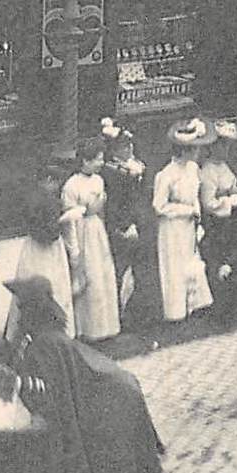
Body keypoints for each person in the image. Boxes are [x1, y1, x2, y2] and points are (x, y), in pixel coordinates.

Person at [0, 276, 166, 473]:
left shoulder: (45, 344)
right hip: (93, 393)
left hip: (102, 398)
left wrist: (17, 383)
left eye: (22, 307)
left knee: (74, 453)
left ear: (31, 310)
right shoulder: (41, 337)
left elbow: (49, 392)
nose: (18, 313)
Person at [152, 119, 216, 324]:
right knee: (174, 269)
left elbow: (195, 195)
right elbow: (158, 206)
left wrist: (196, 213)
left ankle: (193, 308)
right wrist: (185, 210)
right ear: (183, 150)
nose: (197, 152)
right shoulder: (166, 174)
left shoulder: (192, 169)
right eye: (193, 149)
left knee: (192, 265)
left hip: (189, 226)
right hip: (172, 228)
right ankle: (175, 314)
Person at [63, 137, 122, 342]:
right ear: (85, 161)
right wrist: (74, 249)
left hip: (96, 229)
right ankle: (88, 329)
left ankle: (106, 327)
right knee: (89, 277)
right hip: (82, 230)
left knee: (102, 275)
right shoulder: (72, 185)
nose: (101, 163)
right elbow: (69, 219)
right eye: (97, 159)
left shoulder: (99, 180)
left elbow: (102, 211)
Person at [196, 121, 237, 323]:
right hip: (216, 224)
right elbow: (208, 203)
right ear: (213, 147)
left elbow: (231, 184)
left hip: (230, 222)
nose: (226, 150)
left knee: (234, 257)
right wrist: (231, 200)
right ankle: (219, 309)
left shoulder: (224, 167)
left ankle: (233, 304)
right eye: (222, 145)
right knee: (218, 260)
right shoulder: (208, 171)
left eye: (227, 146)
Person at [14, 165, 79, 339]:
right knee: (52, 282)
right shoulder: (45, 200)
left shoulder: (32, 196)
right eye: (56, 183)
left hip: (32, 247)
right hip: (46, 248)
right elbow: (44, 229)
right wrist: (60, 222)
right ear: (48, 180)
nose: (57, 188)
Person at [102, 123, 155, 333]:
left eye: (130, 145)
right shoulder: (112, 172)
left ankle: (139, 313)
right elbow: (114, 203)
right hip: (122, 228)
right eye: (124, 146)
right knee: (119, 270)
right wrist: (124, 226)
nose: (129, 149)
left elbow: (143, 196)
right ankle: (117, 316)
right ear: (114, 151)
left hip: (141, 223)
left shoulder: (137, 166)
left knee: (142, 270)